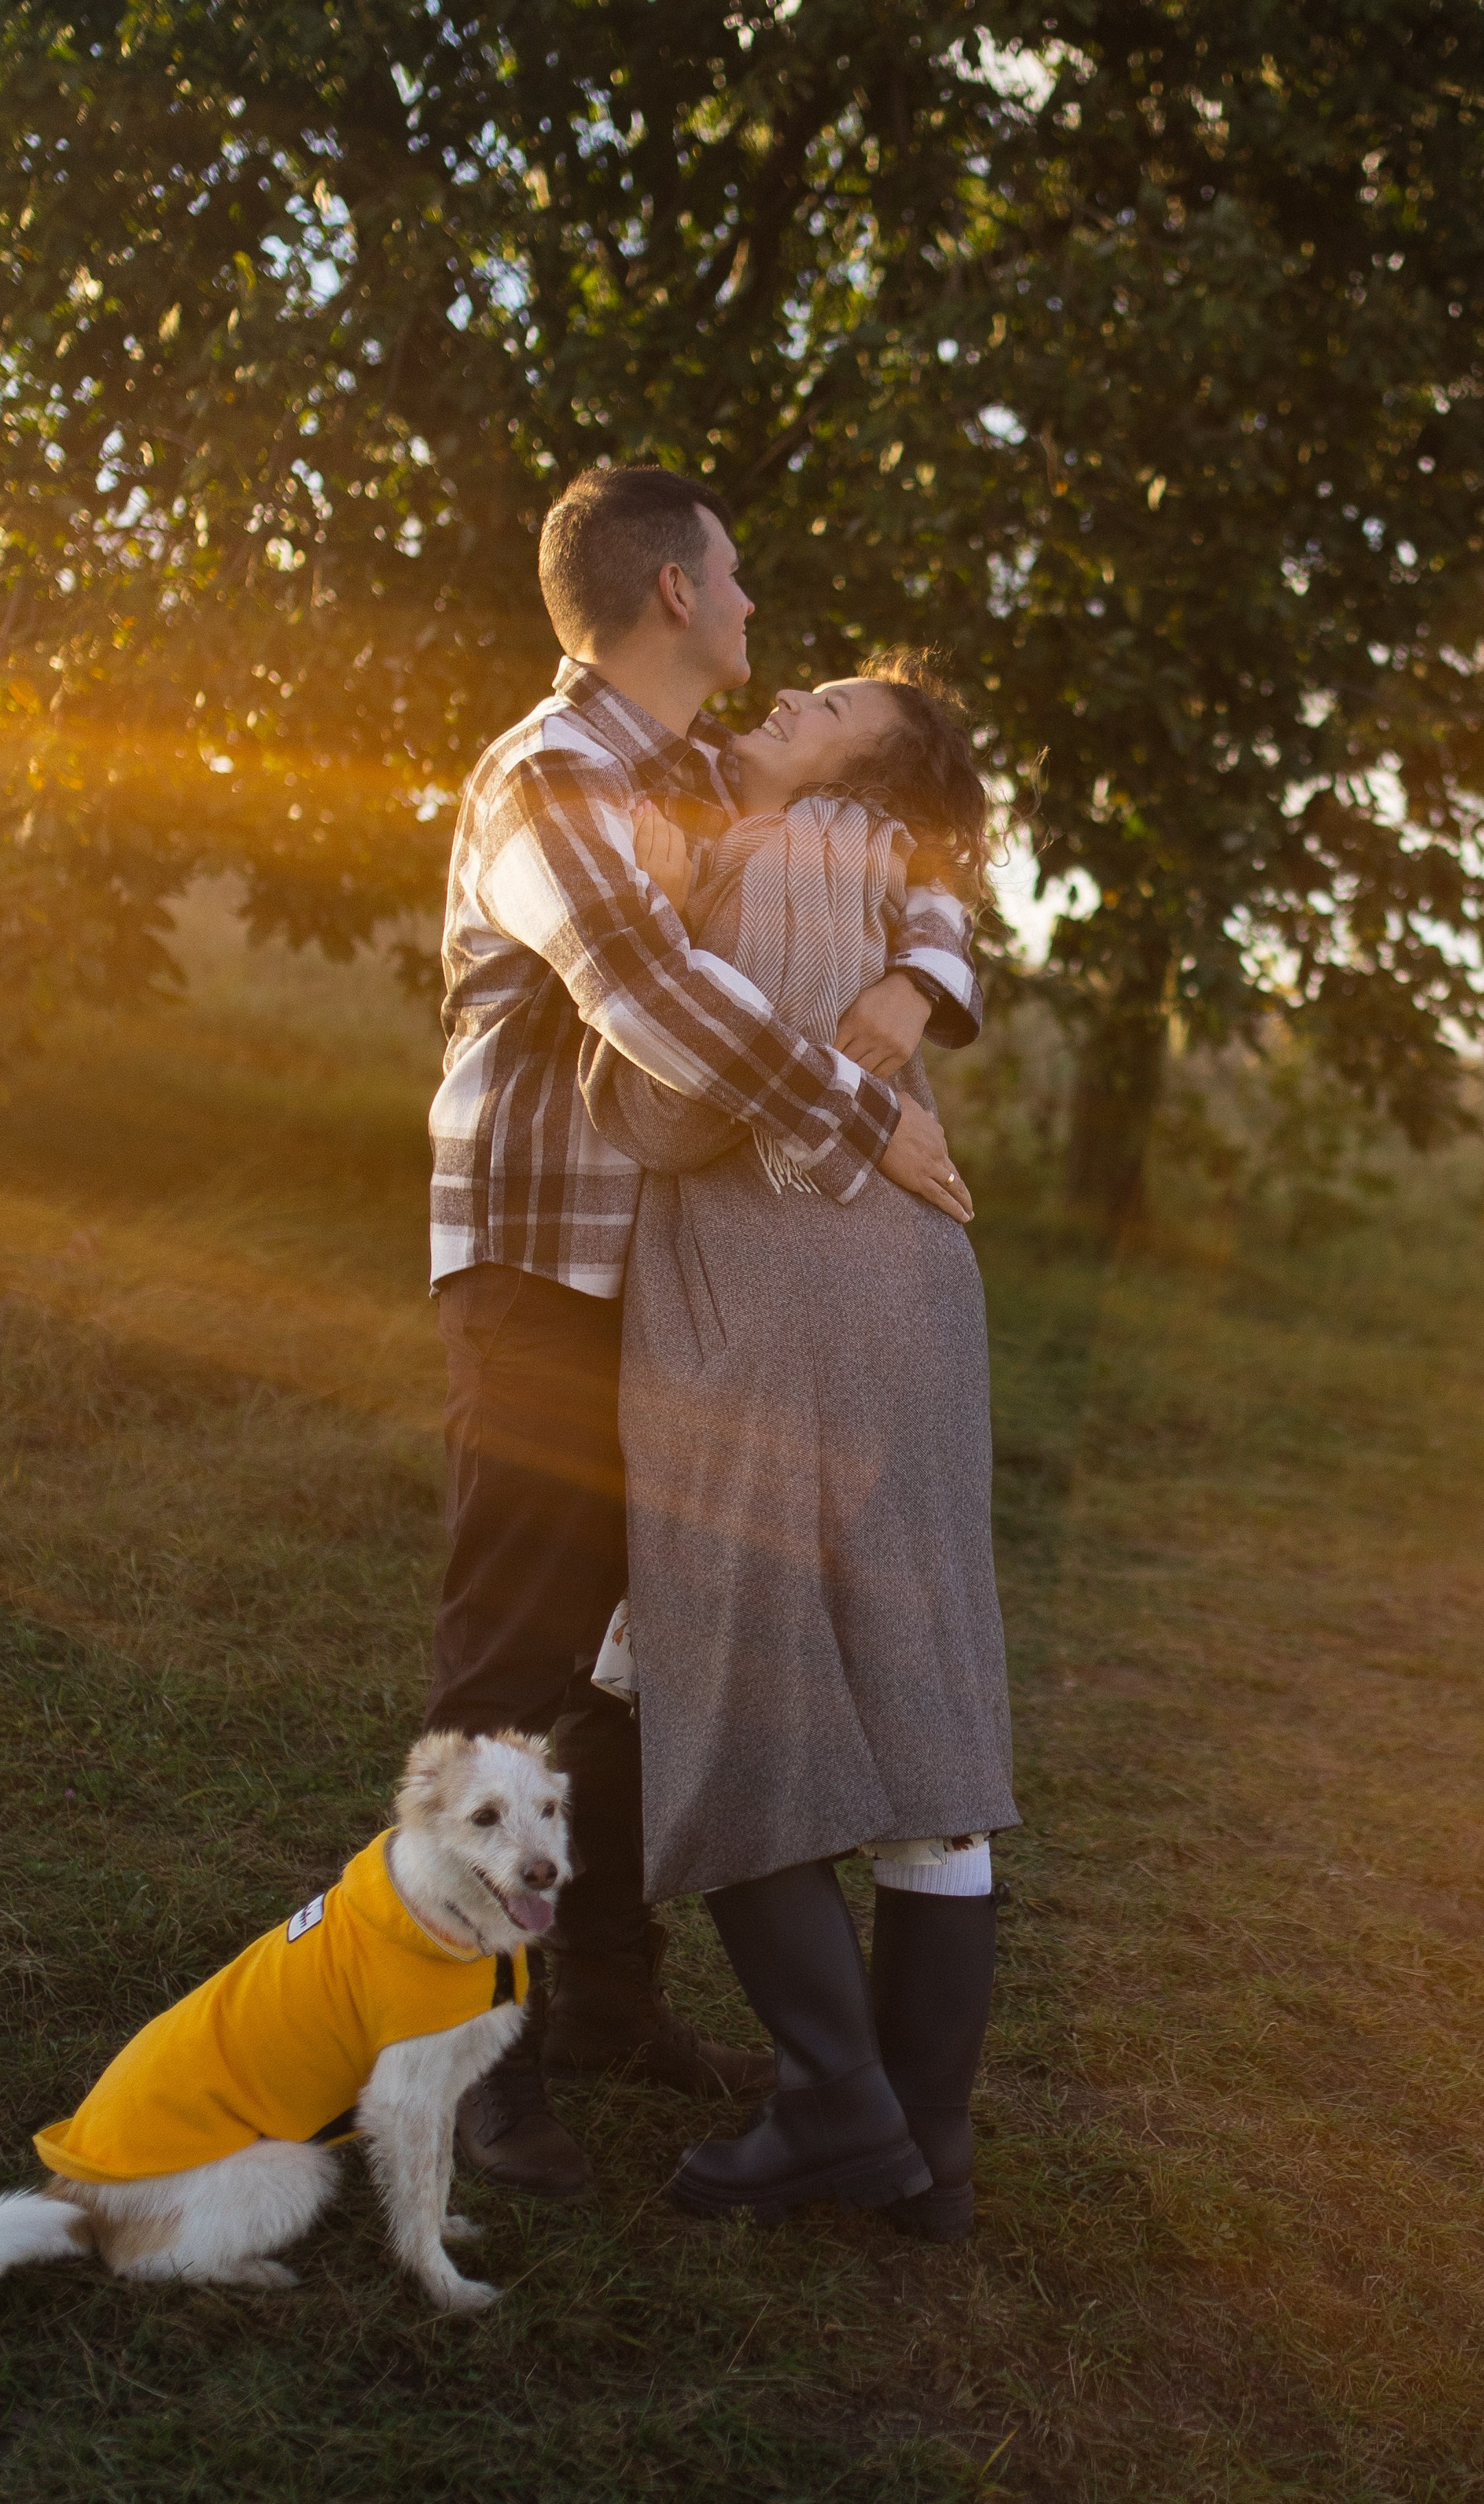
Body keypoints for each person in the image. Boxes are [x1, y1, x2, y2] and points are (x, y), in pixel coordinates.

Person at [424, 467, 984, 2194]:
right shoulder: (549, 779)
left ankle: (603, 1997)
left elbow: (916, 841)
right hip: (548, 1265)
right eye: (735, 571)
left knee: (643, 1661)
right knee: (518, 1665)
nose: (755, 605)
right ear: (673, 590)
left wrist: (925, 978)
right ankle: (475, 2058)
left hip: (684, 1287)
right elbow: (653, 1002)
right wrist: (870, 1109)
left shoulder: (687, 769)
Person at [579, 652, 1015, 2239]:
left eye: (833, 706)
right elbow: (919, 931)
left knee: (734, 1672)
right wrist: (919, 974)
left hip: (771, 1310)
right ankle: (925, 2150)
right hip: (910, 1311)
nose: (796, 695)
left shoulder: (785, 852)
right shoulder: (884, 871)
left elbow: (684, 1113)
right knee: (921, 1706)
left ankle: (833, 2108)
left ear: (856, 784)